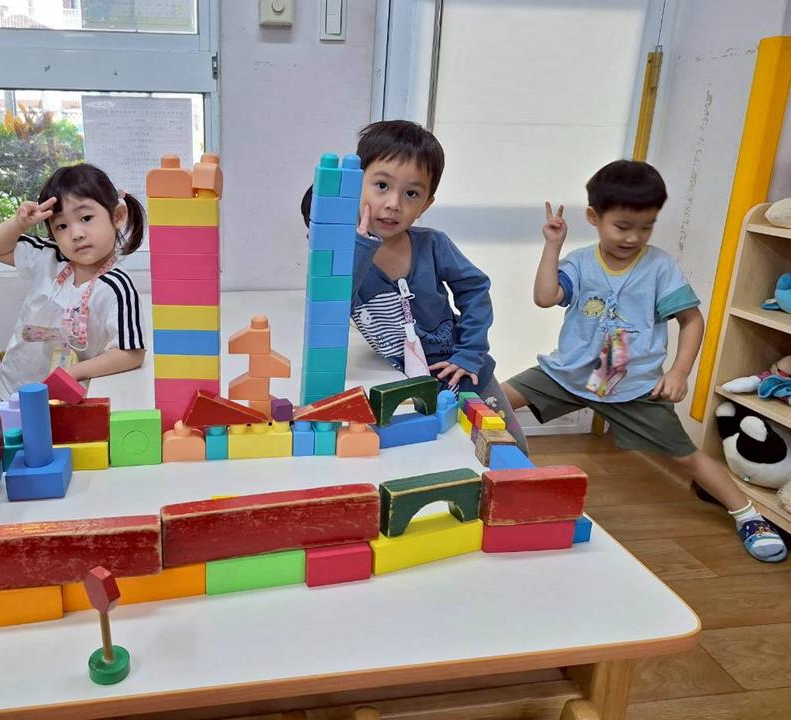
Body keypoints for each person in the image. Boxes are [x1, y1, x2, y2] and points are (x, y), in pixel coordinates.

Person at [504, 159, 787, 562]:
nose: (633, 237)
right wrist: (553, 246)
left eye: (646, 227)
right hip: (568, 374)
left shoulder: (659, 267)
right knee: (490, 400)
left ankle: (749, 515)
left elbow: (691, 320)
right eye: (622, 226)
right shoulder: (581, 262)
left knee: (687, 456)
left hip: (634, 387)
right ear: (594, 217)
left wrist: (680, 371)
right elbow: (545, 297)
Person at [305, 120, 527, 449]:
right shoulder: (343, 254)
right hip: (402, 385)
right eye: (382, 185)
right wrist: (363, 246)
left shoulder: (433, 244)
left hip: (464, 372)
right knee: (434, 452)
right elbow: (333, 306)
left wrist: (470, 353)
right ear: (357, 186)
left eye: (411, 194)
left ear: (426, 204)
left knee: (510, 447)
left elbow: (475, 290)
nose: (394, 203)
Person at [0, 164, 146, 400]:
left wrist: (70, 374)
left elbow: (131, 353)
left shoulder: (117, 287)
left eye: (86, 218)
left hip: (69, 397)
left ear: (118, 216)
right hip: (15, 388)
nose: (76, 234)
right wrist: (19, 223)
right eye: (62, 226)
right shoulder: (48, 256)